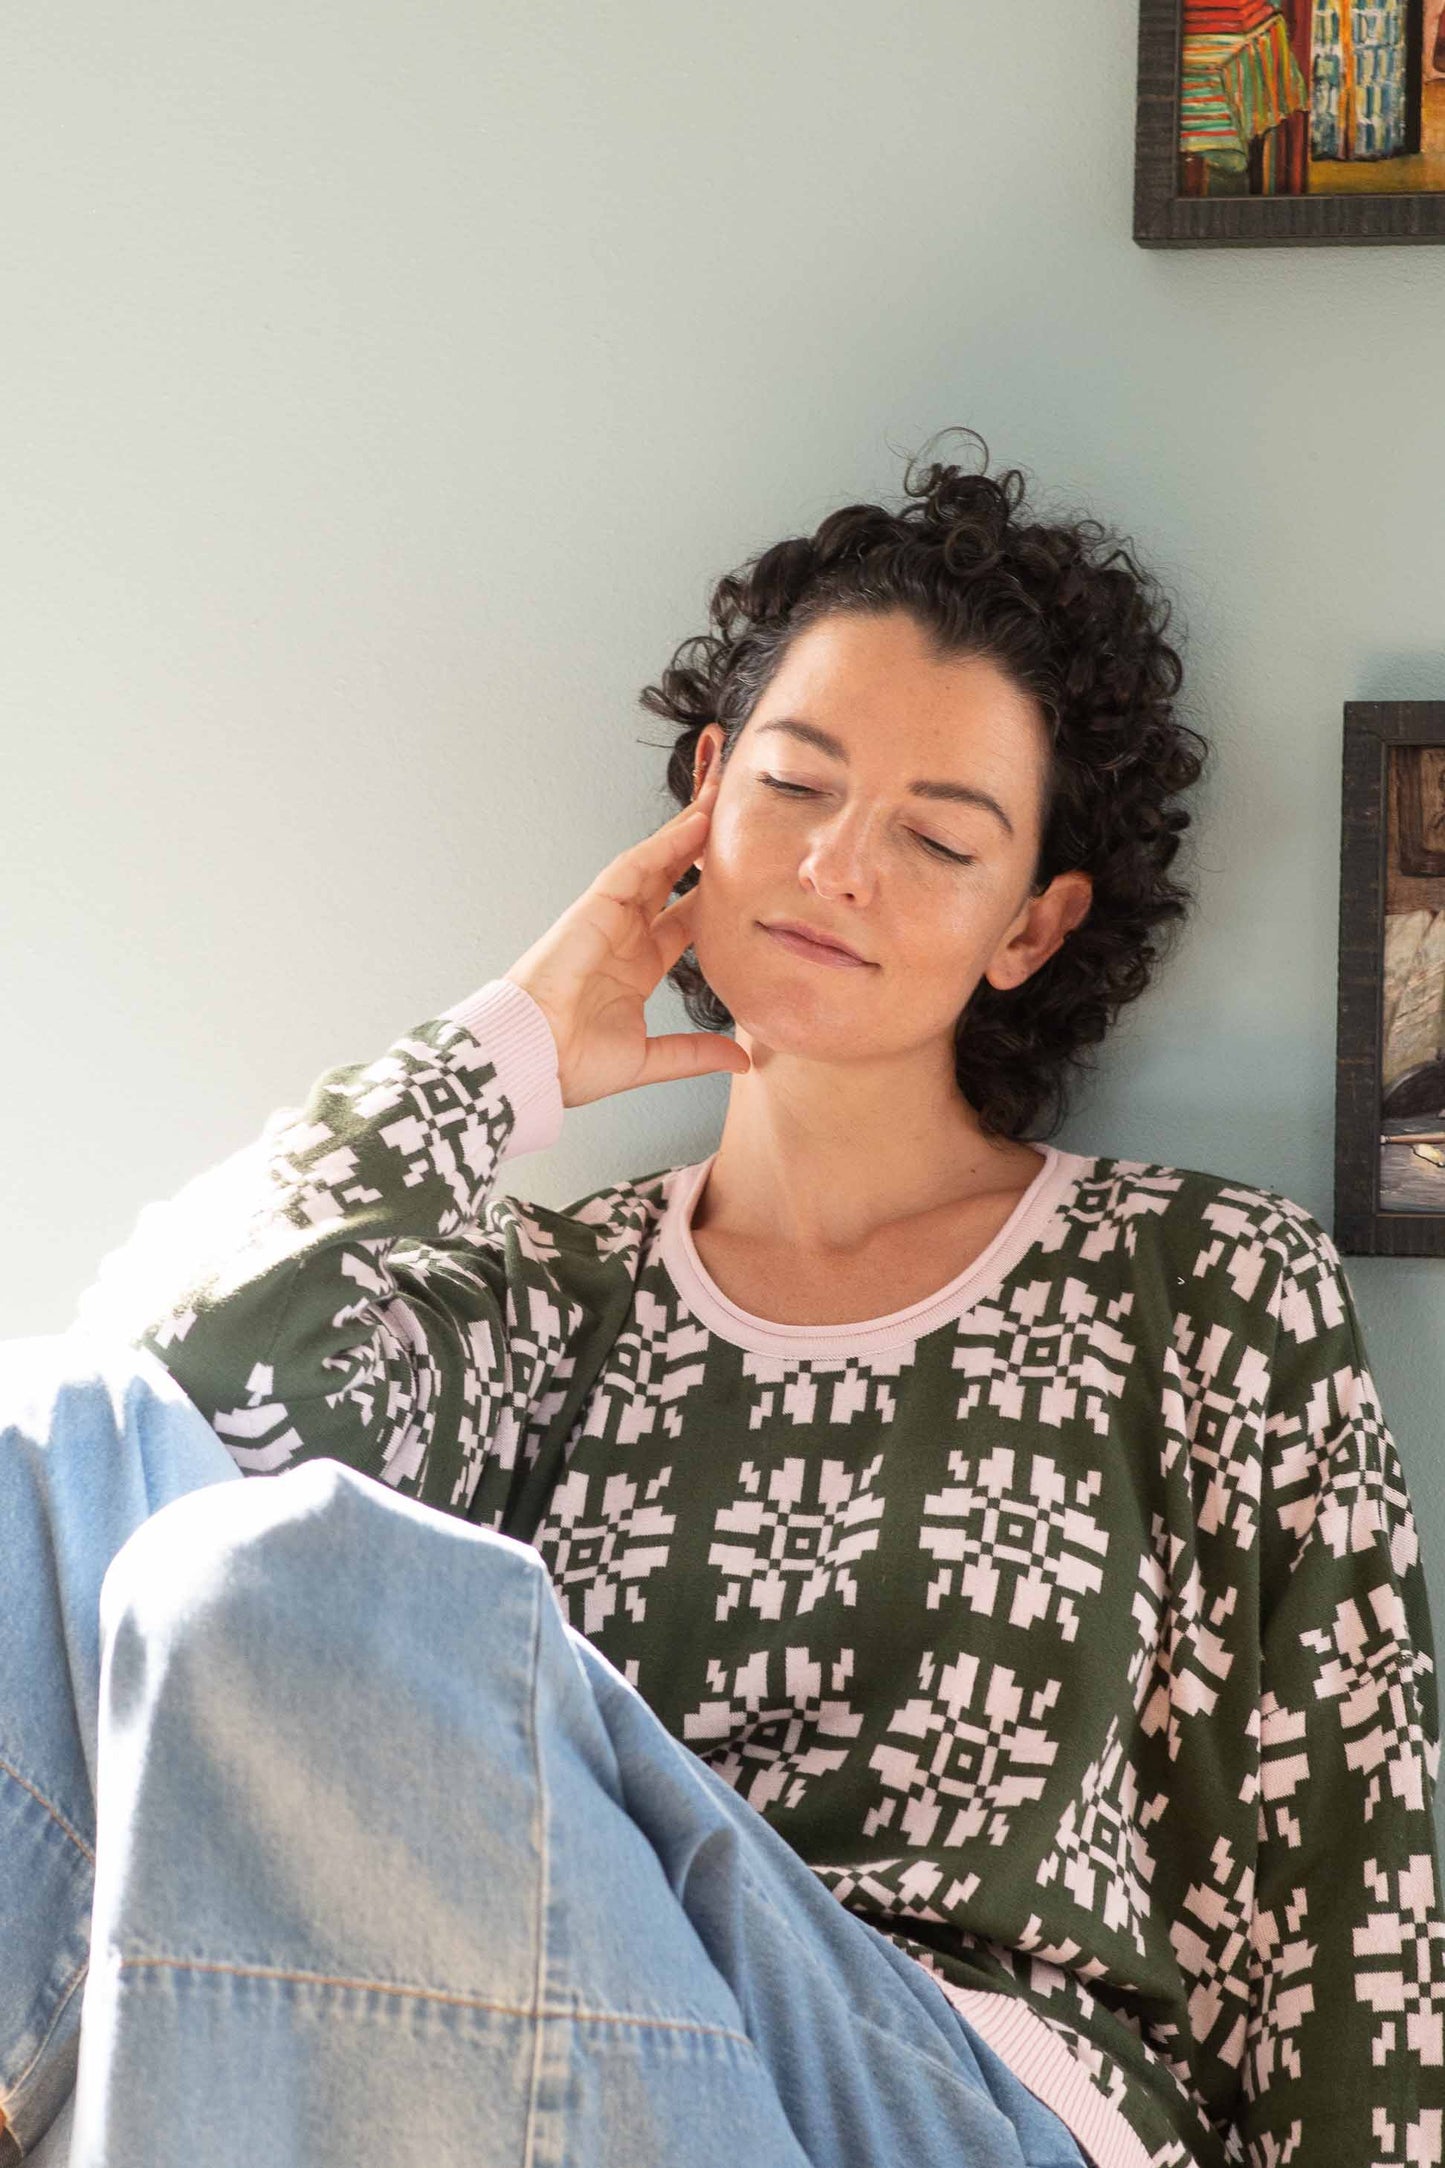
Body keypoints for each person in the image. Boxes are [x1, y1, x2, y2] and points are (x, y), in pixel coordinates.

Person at [6, 428, 1441, 2168]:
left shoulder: (1196, 1280)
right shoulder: (550, 1301)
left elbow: (1344, 1875)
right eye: (795, 785)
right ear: (705, 788)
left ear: (1031, 926)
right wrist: (508, 1055)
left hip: (956, 2096)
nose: (838, 866)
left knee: (277, 1574)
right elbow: (154, 1397)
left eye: (938, 837)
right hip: (577, 2047)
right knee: (59, 1437)